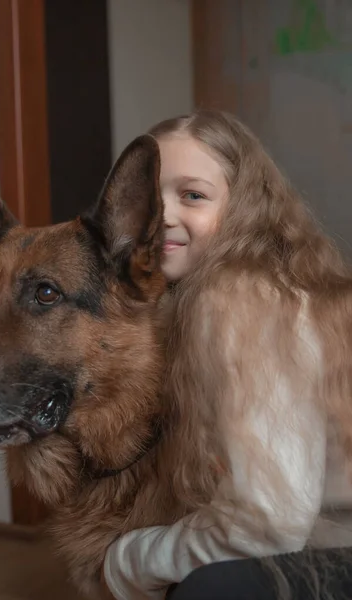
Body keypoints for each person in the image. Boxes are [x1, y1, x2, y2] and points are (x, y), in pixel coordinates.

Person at [101, 110, 352, 600]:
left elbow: (268, 522)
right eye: (150, 198)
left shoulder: (239, 297)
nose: (165, 215)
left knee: (204, 587)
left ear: (242, 209)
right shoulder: (255, 288)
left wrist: (128, 561)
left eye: (192, 195)